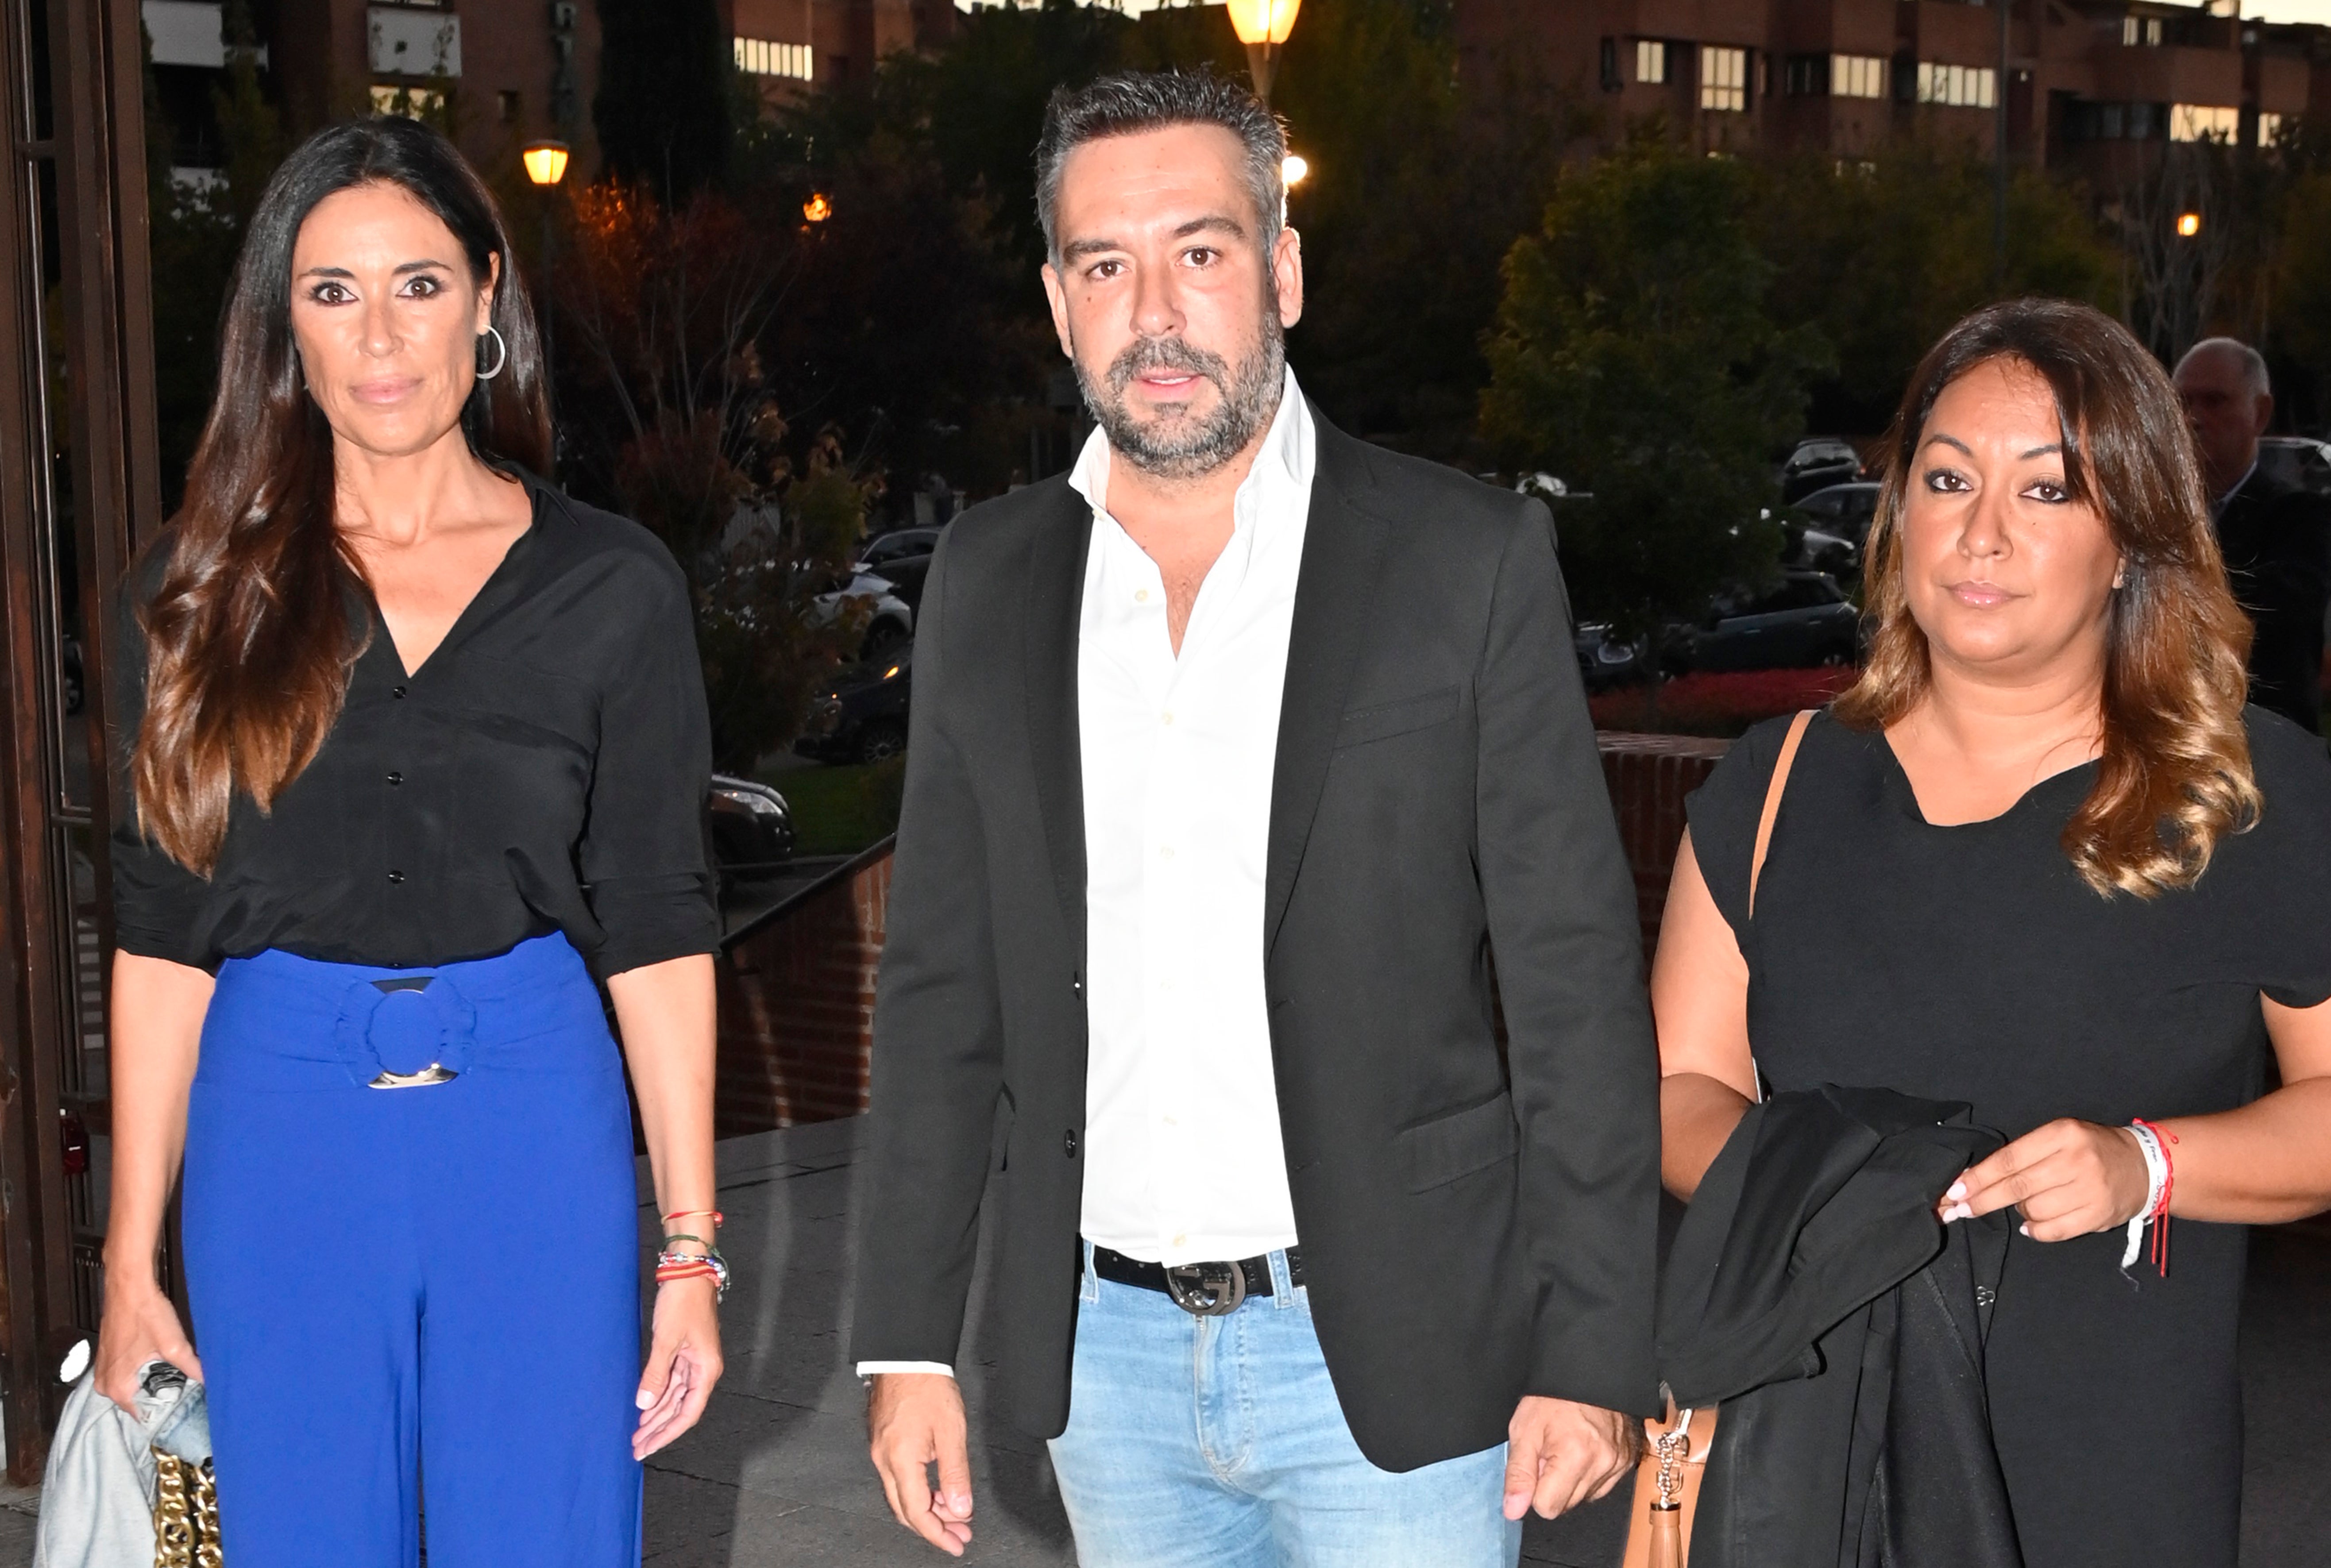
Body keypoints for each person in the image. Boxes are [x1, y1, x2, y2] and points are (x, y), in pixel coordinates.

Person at [854, 69, 1661, 1565]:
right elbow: (940, 985)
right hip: (1102, 1366)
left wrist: (1593, 1343)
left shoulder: (1464, 558)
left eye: (1201, 251)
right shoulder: (989, 577)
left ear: (1280, 270)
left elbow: (1572, 981)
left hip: (1400, 1350)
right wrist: (904, 1337)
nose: (1155, 312)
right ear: (1058, 302)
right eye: (1106, 265)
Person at [1654, 299, 2331, 1568]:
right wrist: (1821, 1190)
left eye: (2045, 489)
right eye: (1946, 479)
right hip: (1805, 1439)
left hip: (2103, 1456)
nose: (1981, 532)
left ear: (2130, 538)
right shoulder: (1775, 783)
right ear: (1895, 513)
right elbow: (1677, 1084)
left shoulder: (2245, 797)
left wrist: (2146, 1163)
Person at [98, 117, 725, 1567]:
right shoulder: (192, 594)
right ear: (285, 328)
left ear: (485, 294)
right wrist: (130, 1262)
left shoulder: (611, 588)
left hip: (535, 1112)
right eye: (332, 292)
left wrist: (689, 1249)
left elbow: (656, 922)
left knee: (550, 1532)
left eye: (418, 285)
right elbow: (160, 934)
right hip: (276, 1123)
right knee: (300, 1534)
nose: (379, 335)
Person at [2173, 336, 2331, 732]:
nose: (2192, 418)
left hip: (2262, 747)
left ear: (2260, 413)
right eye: (2181, 403)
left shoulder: (2300, 515)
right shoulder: (2149, 514)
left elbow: (2278, 606)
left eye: (2214, 401)